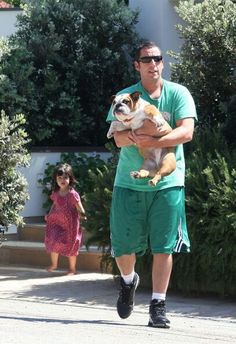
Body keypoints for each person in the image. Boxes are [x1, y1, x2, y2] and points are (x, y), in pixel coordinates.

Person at [106, 41, 197, 328]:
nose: (153, 63)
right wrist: (134, 139)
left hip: (168, 182)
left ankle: (158, 305)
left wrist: (153, 141)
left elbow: (187, 132)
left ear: (162, 63)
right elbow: (117, 137)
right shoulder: (124, 97)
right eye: (146, 59)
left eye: (157, 58)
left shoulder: (178, 93)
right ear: (137, 65)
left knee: (164, 247)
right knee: (122, 247)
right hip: (129, 182)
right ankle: (129, 280)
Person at [44, 163, 87, 275]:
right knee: (53, 240)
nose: (62, 180)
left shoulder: (73, 194)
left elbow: (80, 208)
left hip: (70, 225)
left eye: (65, 177)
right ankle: (54, 264)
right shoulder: (56, 193)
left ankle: (72, 269)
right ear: (56, 179)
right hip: (57, 222)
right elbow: (54, 205)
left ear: (70, 179)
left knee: (71, 245)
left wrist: (83, 215)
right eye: (59, 178)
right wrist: (49, 214)